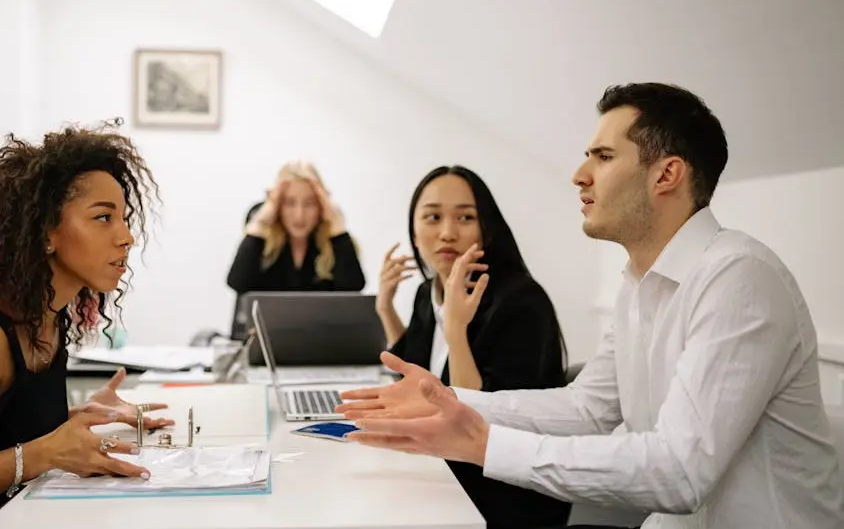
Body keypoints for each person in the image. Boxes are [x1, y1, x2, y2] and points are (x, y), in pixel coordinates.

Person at [338, 83, 844, 529]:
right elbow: (587, 409)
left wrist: (483, 443)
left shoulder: (739, 278)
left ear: (666, 174)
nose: (580, 175)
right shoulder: (637, 286)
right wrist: (449, 401)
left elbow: (679, 472)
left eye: (602, 157)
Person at [0, 121, 174, 527]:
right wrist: (43, 453)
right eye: (103, 218)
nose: (126, 237)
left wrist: (74, 419)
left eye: (123, 217)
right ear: (46, 233)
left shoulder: (48, 317)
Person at [375, 165, 570, 528]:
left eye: (465, 217)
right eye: (433, 217)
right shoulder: (428, 290)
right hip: (443, 473)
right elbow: (414, 377)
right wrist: (385, 308)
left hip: (498, 495)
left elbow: (476, 419)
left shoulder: (522, 302)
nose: (448, 233)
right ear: (414, 233)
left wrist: (455, 330)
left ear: (485, 229)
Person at [226, 161, 365, 336]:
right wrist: (260, 223)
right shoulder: (262, 242)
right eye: (290, 203)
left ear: (321, 206)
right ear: (277, 205)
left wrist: (336, 224)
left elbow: (354, 290)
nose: (299, 215)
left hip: (322, 347)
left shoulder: (334, 243)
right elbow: (237, 282)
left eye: (310, 203)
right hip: (266, 349)